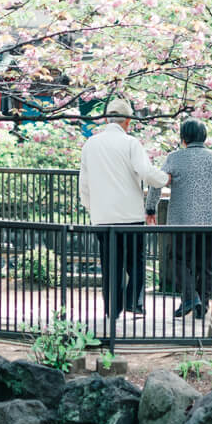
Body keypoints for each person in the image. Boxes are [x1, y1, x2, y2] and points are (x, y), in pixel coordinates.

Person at [78, 97, 169, 320]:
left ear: (107, 119)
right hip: (129, 216)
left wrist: (93, 209)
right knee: (136, 262)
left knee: (110, 265)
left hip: (102, 218)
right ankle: (133, 302)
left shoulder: (90, 144)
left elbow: (84, 184)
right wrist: (165, 179)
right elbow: (146, 172)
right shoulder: (131, 143)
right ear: (127, 121)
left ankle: (112, 309)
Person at [149, 118, 212, 319]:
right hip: (211, 223)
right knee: (205, 266)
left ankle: (190, 297)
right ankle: (200, 305)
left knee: (176, 259)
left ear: (183, 137)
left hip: (181, 222)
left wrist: (151, 208)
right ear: (203, 137)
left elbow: (157, 183)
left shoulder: (175, 158)